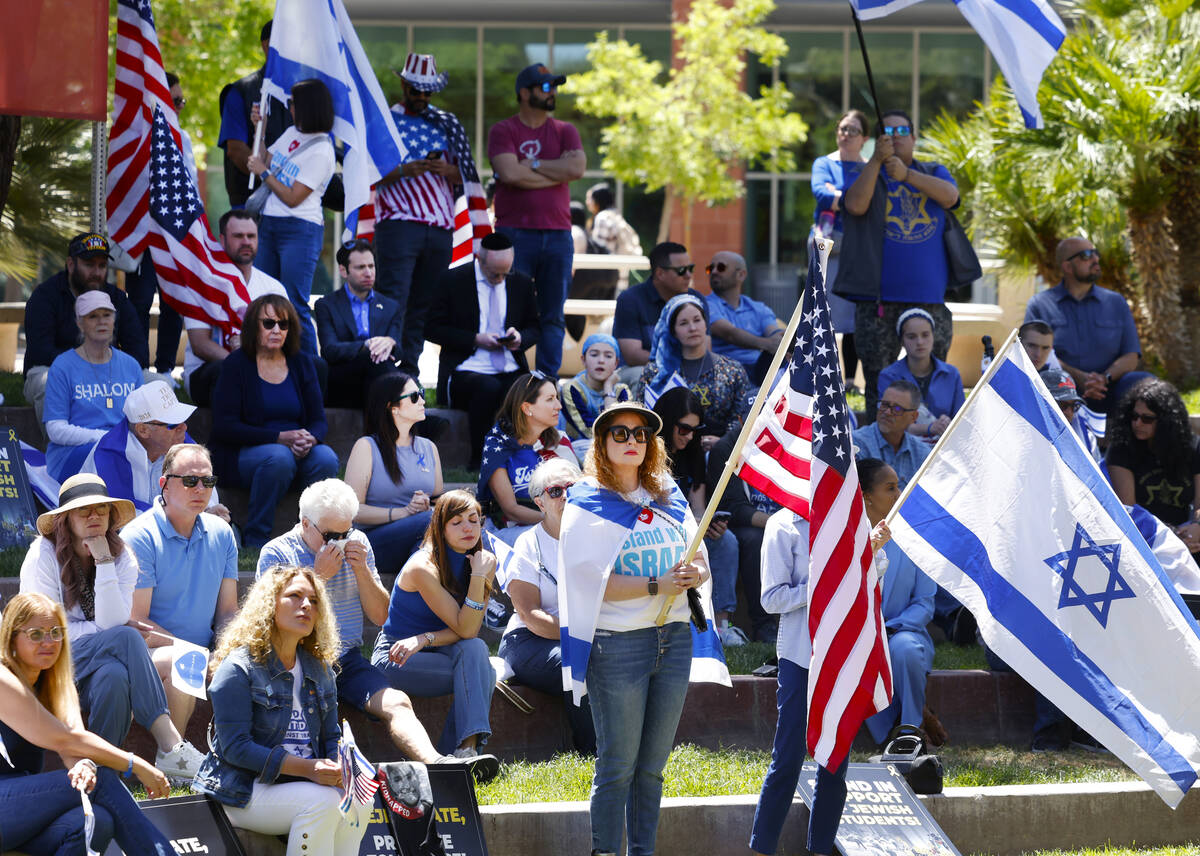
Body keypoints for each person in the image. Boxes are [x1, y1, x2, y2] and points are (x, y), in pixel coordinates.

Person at [558, 402, 710, 856]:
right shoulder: (585, 500)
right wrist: (655, 584)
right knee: (618, 766)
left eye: (641, 434)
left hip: (675, 636)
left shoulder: (668, 492)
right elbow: (588, 582)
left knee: (652, 768)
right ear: (602, 443)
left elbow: (697, 553)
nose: (632, 441)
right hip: (618, 645)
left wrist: (695, 575)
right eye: (620, 434)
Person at [256, 479, 480, 775]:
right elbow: (269, 625)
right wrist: (317, 579)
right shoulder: (277, 553)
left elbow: (380, 616)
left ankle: (438, 766)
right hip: (291, 660)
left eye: (345, 531)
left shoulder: (359, 542)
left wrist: (362, 571)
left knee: (397, 702)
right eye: (330, 535)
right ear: (305, 523)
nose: (338, 540)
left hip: (345, 659)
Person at [19, 474, 206, 780]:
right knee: (126, 636)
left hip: (95, 665)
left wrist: (104, 561)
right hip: (47, 663)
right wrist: (111, 631)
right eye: (84, 510)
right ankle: (170, 743)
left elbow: (109, 623)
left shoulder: (121, 557)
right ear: (65, 518)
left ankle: (103, 774)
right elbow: (49, 631)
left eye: (102, 510)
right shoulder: (42, 555)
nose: (94, 516)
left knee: (115, 676)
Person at [194, 564, 373, 853]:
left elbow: (330, 737)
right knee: (323, 803)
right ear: (270, 604)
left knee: (359, 801)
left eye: (314, 601)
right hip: (242, 789)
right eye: (295, 596)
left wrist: (337, 771)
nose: (306, 606)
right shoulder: (238, 668)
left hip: (302, 782)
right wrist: (309, 769)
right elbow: (236, 748)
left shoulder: (320, 669)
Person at [750, 497, 888, 856]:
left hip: (842, 655)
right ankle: (762, 848)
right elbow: (771, 599)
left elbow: (873, 582)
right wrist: (829, 575)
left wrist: (868, 551)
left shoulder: (849, 521)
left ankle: (821, 849)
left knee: (835, 761)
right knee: (788, 757)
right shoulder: (783, 524)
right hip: (800, 656)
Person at [0, 592, 177, 856]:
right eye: (36, 634)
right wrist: (134, 763)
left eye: (56, 632)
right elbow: (64, 739)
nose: (48, 642)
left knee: (96, 822)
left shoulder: (56, 680)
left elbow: (74, 739)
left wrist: (82, 765)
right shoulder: (3, 678)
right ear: (12, 639)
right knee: (104, 780)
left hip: (21, 805)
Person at [840, 109, 960, 418]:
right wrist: (877, 161)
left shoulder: (933, 169)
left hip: (928, 300)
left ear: (914, 138)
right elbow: (854, 204)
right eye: (888, 134)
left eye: (902, 132)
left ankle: (931, 442)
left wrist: (907, 176)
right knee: (880, 384)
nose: (896, 139)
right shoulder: (865, 172)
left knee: (934, 379)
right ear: (878, 141)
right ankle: (879, 455)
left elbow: (950, 196)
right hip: (878, 301)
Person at [375, 52, 486, 373]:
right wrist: (402, 171)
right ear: (403, 85)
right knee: (393, 297)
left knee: (424, 303)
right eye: (416, 90)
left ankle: (409, 368)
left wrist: (448, 169)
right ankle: (384, 368)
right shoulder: (384, 121)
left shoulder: (447, 122)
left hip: (439, 226)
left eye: (427, 91)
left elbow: (468, 177)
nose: (422, 97)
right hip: (398, 223)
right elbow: (365, 172)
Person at [370, 490, 499, 758]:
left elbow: (469, 632)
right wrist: (478, 576)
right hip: (397, 656)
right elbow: (465, 628)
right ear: (440, 527)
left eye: (473, 520)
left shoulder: (484, 562)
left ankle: (465, 750)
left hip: (438, 648)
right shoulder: (422, 567)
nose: (468, 528)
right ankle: (461, 753)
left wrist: (426, 638)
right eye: (457, 522)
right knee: (481, 673)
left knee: (475, 651)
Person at [122, 444, 237, 736]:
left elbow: (227, 612)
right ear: (164, 485)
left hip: (204, 652)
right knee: (186, 662)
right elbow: (138, 622)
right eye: (189, 481)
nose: (200, 488)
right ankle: (175, 760)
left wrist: (225, 653)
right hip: (147, 654)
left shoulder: (223, 533)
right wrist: (198, 653)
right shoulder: (139, 536)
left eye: (207, 481)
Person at [210, 295, 339, 548]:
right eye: (268, 323)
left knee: (327, 459)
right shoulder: (236, 365)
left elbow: (318, 419)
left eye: (284, 324)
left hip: (295, 449)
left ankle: (314, 535)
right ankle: (257, 538)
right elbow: (225, 426)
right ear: (253, 327)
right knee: (279, 457)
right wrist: (279, 438)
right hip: (244, 453)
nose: (277, 330)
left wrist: (310, 438)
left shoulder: (301, 362)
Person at [487, 63, 587, 377]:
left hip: (558, 234)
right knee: (510, 310)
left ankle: (545, 380)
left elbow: (577, 170)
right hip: (514, 233)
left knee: (553, 315)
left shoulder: (565, 131)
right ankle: (510, 377)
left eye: (554, 87)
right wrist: (555, 172)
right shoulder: (503, 130)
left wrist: (530, 165)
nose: (552, 92)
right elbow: (509, 173)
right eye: (545, 87)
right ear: (524, 92)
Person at [496, 458, 597, 755]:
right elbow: (531, 615)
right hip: (530, 640)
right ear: (540, 502)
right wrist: (582, 636)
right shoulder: (529, 544)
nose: (565, 495)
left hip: (592, 634)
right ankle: (594, 753)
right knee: (579, 661)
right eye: (555, 491)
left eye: (572, 487)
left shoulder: (600, 536)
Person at [426, 232, 541, 469]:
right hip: (465, 367)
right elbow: (431, 328)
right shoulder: (453, 281)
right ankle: (481, 460)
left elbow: (535, 327)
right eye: (494, 273)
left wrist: (520, 338)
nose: (500, 279)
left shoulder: (520, 282)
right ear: (479, 259)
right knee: (487, 388)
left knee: (522, 389)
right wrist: (474, 339)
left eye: (505, 273)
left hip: (509, 363)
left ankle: (520, 460)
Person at [246, 77, 337, 356]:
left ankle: (309, 369)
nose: (290, 108)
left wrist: (263, 172)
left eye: (293, 103)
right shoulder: (290, 132)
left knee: (293, 302)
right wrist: (258, 128)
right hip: (270, 224)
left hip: (300, 229)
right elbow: (264, 156)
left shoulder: (323, 150)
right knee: (263, 299)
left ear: (308, 107)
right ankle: (264, 363)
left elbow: (293, 197)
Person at [651, 387, 744, 646]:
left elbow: (698, 507)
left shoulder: (692, 455)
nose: (690, 436)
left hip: (685, 530)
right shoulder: (646, 452)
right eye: (683, 429)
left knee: (726, 542)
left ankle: (723, 626)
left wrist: (707, 526)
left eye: (695, 430)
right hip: (653, 532)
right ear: (667, 423)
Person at [23, 232, 148, 421]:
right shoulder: (45, 296)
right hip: (52, 371)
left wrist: (105, 368)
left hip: (111, 372)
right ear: (71, 264)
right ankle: (57, 448)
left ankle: (139, 450)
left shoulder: (117, 298)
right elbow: (41, 352)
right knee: (46, 384)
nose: (97, 273)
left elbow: (139, 352)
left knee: (159, 384)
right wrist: (85, 367)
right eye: (89, 265)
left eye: (102, 265)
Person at [857, 458, 936, 744]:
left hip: (903, 632)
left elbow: (925, 602)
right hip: (861, 634)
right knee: (863, 654)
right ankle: (887, 733)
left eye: (898, 486)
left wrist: (891, 627)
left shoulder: (915, 538)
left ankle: (910, 729)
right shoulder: (850, 538)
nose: (898, 494)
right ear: (866, 496)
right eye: (890, 488)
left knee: (904, 650)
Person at [1024, 236, 1151, 413]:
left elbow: (1131, 355)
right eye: (1085, 255)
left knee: (1146, 384)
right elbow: (1035, 354)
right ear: (1067, 266)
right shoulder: (1040, 304)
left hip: (1109, 387)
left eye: (1095, 253)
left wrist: (1103, 379)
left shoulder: (1116, 302)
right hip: (1060, 387)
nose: (1095, 259)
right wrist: (1079, 377)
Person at [82, 380, 230, 521]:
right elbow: (121, 515)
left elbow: (203, 483)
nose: (184, 428)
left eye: (183, 419)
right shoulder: (109, 455)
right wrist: (184, 516)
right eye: (173, 424)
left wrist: (208, 510)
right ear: (143, 430)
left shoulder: (180, 440)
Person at [184, 209, 289, 406]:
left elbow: (286, 338)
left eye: (251, 236)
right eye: (238, 236)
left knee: (312, 365)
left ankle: (302, 433)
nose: (246, 242)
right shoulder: (202, 284)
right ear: (222, 240)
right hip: (209, 371)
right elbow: (200, 344)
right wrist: (243, 363)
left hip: (264, 366)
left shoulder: (273, 288)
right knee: (228, 371)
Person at [345, 373, 443, 574]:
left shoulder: (429, 447)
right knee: (430, 522)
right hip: (372, 542)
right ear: (392, 407)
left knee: (426, 549)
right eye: (414, 396)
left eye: (421, 394)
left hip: (419, 536)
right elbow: (351, 511)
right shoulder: (366, 447)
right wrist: (405, 512)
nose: (423, 401)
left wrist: (426, 503)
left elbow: (437, 500)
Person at [43, 291, 144, 482]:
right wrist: (104, 438)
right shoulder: (63, 366)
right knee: (108, 454)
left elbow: (142, 421)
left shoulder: (131, 365)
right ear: (80, 323)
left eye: (107, 315)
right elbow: (55, 429)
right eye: (93, 316)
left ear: (114, 319)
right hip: (73, 453)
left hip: (122, 449)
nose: (101, 321)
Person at [637, 293, 751, 447]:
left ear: (706, 324)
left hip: (721, 454)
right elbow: (642, 417)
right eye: (683, 323)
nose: (692, 328)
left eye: (697, 320)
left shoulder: (733, 369)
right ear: (673, 330)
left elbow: (742, 417)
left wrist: (723, 442)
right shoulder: (656, 372)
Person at [810, 109, 871, 388]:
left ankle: (848, 381)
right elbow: (821, 195)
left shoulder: (870, 168)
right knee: (825, 313)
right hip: (830, 249)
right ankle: (821, 376)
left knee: (854, 320)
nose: (845, 134)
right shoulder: (824, 163)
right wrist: (857, 200)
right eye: (842, 128)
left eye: (853, 130)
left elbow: (872, 204)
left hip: (860, 250)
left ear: (865, 138)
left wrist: (838, 198)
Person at [478, 372, 577, 542]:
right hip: (509, 530)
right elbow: (511, 510)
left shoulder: (559, 442)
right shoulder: (498, 446)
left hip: (557, 527)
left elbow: (577, 494)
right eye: (550, 399)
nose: (559, 405)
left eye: (557, 398)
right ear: (527, 408)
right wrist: (556, 524)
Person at [1106, 378, 1200, 555]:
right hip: (1144, 538)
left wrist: (1197, 527)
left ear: (1167, 421)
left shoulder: (1193, 448)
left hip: (1186, 534)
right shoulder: (1121, 448)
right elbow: (1129, 510)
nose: (1137, 424)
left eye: (1147, 419)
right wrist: (1172, 537)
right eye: (1134, 416)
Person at [707, 424, 782, 644]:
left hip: (786, 516)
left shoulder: (787, 441)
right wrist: (777, 524)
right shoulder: (727, 448)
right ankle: (761, 625)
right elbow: (734, 507)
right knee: (755, 540)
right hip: (747, 526)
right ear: (741, 418)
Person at [314, 239, 405, 408]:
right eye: (360, 267)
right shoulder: (326, 305)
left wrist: (390, 343)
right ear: (343, 270)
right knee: (381, 365)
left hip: (380, 375)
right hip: (344, 380)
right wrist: (366, 345)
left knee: (385, 367)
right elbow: (330, 350)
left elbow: (399, 352)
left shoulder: (391, 306)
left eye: (371, 266)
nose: (368, 273)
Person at [218, 20, 292, 207]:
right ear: (267, 46)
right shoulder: (241, 91)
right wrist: (272, 179)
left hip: (296, 205)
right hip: (251, 206)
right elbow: (235, 150)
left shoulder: (306, 93)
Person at [877, 308, 965, 441]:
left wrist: (947, 423)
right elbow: (889, 423)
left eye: (925, 335)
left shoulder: (952, 374)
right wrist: (930, 427)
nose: (920, 342)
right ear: (902, 341)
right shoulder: (888, 376)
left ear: (933, 336)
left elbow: (962, 420)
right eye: (911, 337)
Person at [612, 241, 697, 374]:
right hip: (641, 369)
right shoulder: (630, 299)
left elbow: (704, 348)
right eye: (681, 270)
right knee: (641, 373)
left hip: (686, 368)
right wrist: (675, 364)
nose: (688, 275)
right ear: (660, 274)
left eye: (690, 268)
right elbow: (633, 356)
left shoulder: (696, 300)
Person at [704, 251, 785, 383]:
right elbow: (729, 333)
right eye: (710, 268)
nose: (714, 272)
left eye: (721, 267)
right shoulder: (704, 304)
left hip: (759, 370)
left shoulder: (757, 308)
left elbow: (774, 332)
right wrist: (766, 344)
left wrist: (781, 338)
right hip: (723, 374)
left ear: (741, 275)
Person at [560, 333, 632, 458]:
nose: (601, 360)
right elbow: (589, 431)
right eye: (594, 354)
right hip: (578, 448)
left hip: (614, 446)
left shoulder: (622, 391)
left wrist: (608, 387)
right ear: (583, 360)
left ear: (616, 363)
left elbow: (621, 427)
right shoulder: (572, 388)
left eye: (608, 356)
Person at [851, 379, 931, 489]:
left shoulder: (922, 454)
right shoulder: (856, 445)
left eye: (897, 408)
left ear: (914, 417)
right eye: (884, 405)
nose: (887, 412)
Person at [1040, 367, 1101, 462]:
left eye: (1074, 406)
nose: (1069, 412)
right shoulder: (1025, 434)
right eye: (1062, 405)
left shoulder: (1088, 438)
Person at [587, 182, 641, 257]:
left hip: (609, 264)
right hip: (621, 262)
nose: (588, 202)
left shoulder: (602, 217)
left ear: (598, 200)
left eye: (590, 199)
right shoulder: (615, 214)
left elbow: (600, 247)